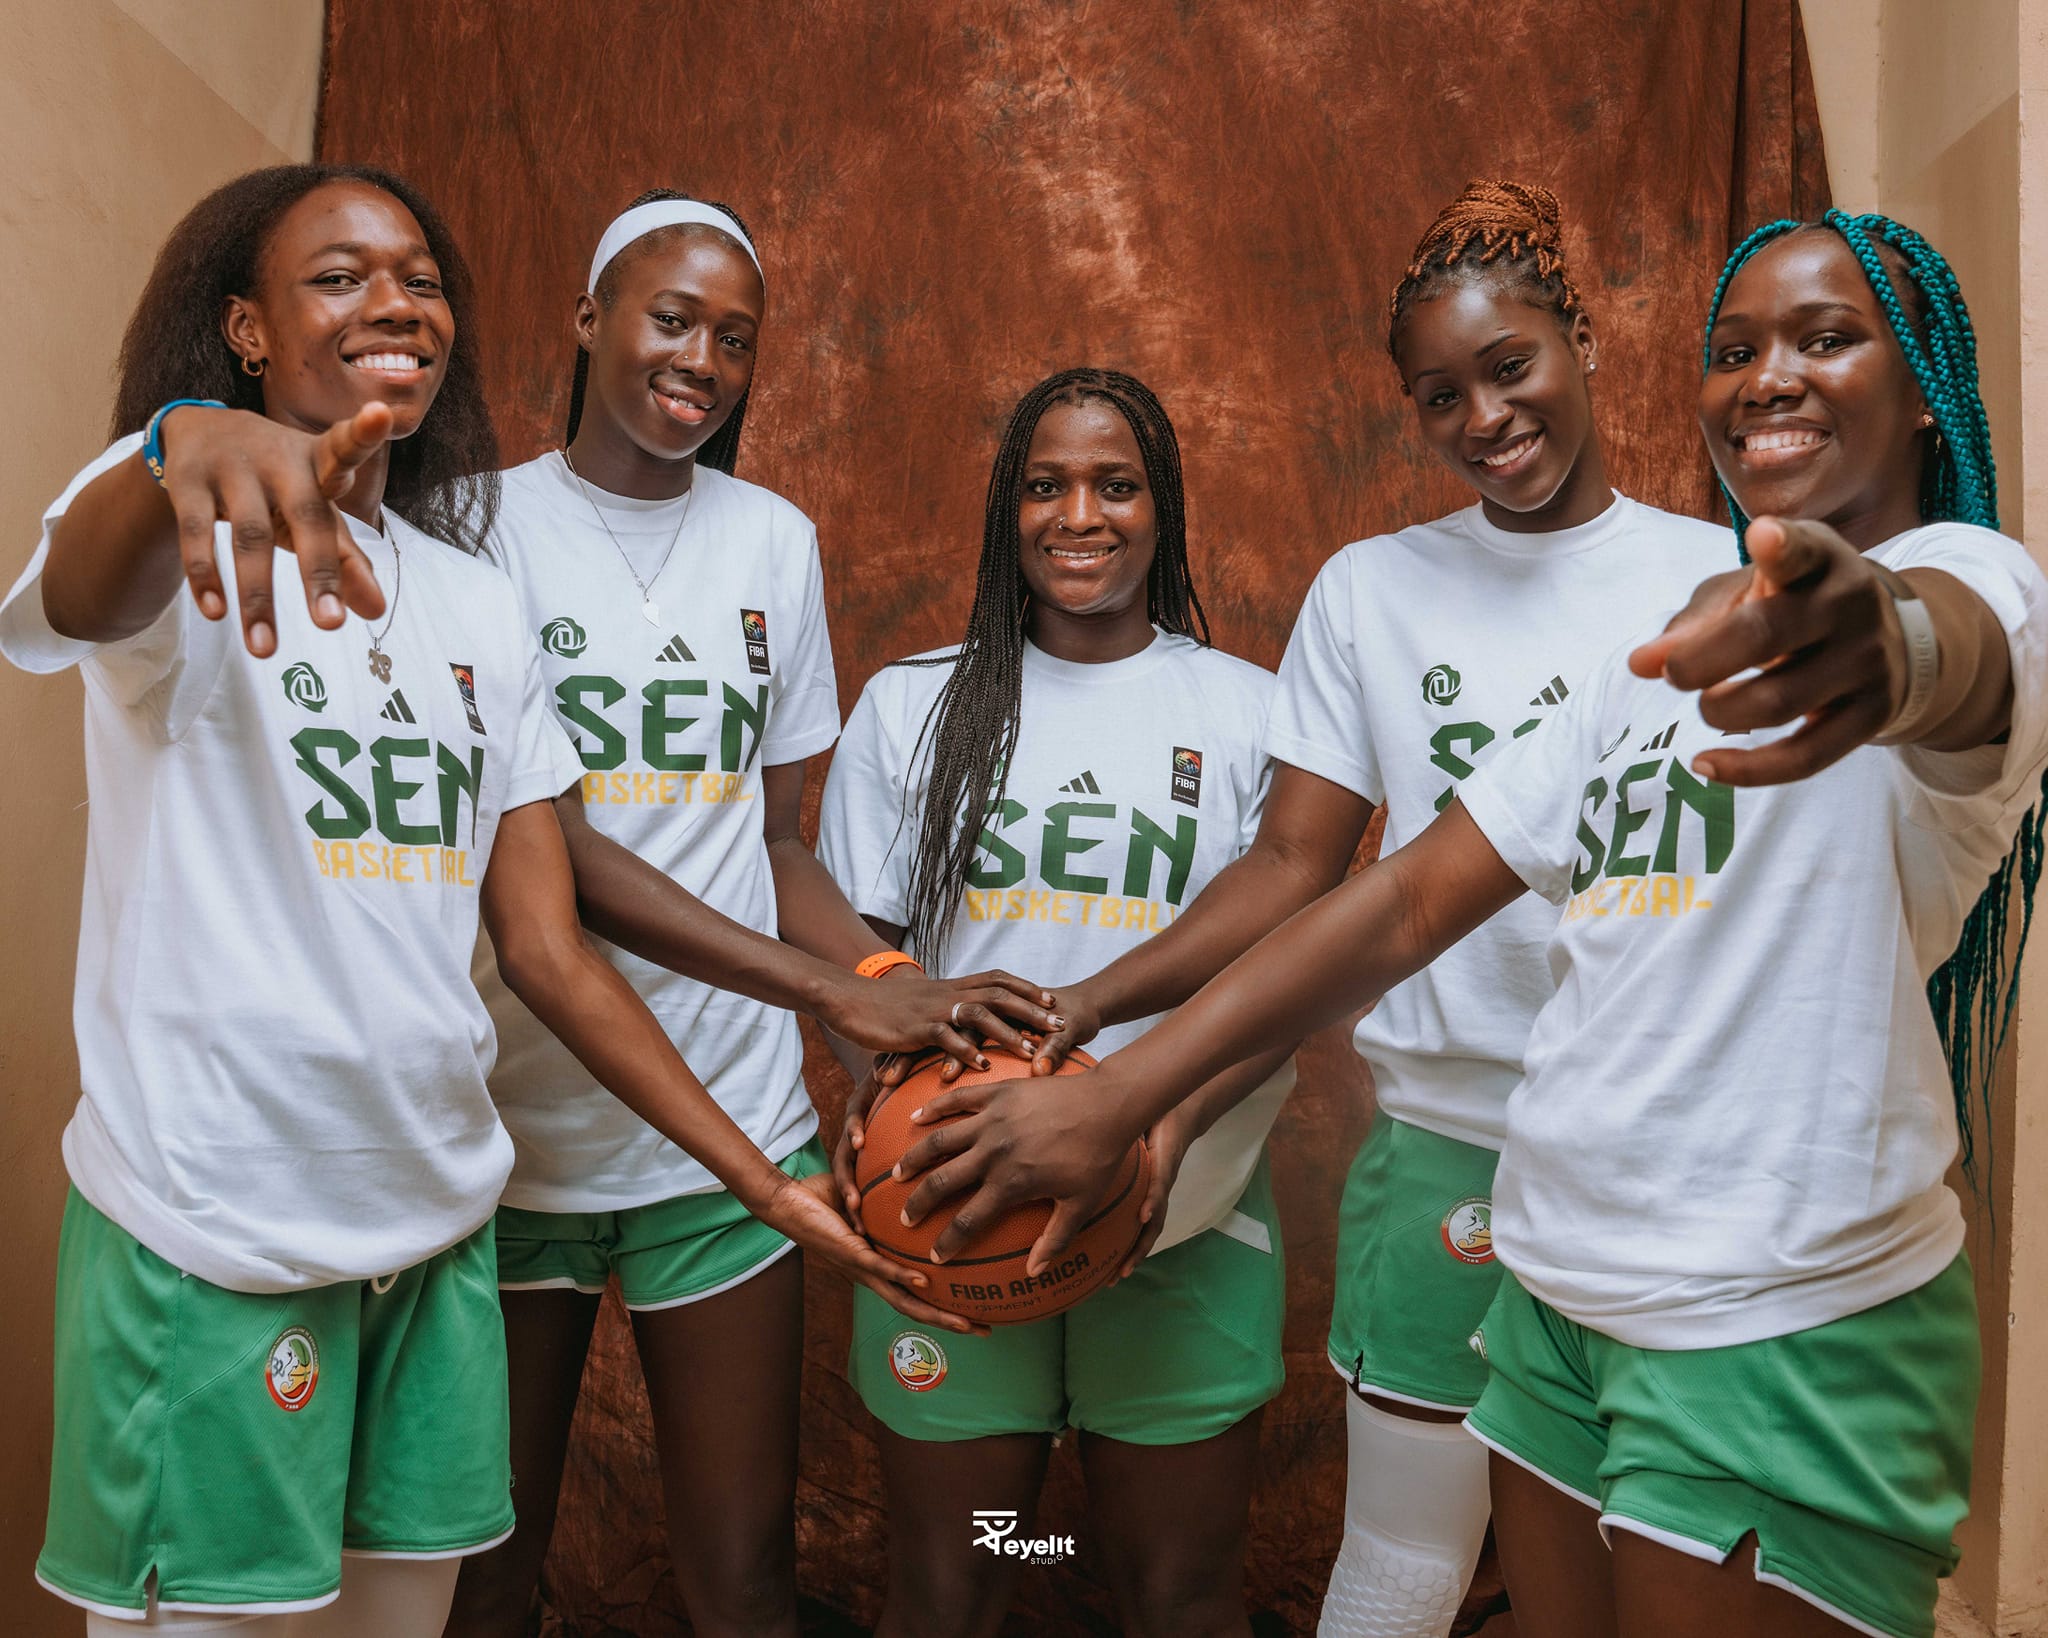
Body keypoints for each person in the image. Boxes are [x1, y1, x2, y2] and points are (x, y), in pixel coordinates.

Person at [895, 211, 2048, 1638]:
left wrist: (1881, 634)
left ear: (1922, 382)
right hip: (1555, 1274)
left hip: (1769, 1297)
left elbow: (1943, 643)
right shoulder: (1643, 659)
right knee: (1381, 1573)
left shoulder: (1979, 581)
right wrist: (1118, 1083)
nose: (1769, 378)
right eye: (1736, 348)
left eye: (1825, 339)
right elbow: (1397, 897)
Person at [0, 164, 950, 1638]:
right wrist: (175, 441)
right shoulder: (186, 527)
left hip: (434, 1215)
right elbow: (81, 593)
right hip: (221, 1219)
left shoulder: (472, 599)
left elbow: (548, 945)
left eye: (422, 280)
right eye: (339, 277)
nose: (393, 303)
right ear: (245, 328)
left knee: (429, 1613)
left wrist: (764, 1173)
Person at [446, 192, 1057, 1638]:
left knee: (742, 1581)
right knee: (483, 1581)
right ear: (589, 317)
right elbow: (544, 849)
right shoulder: (473, 526)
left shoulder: (774, 539)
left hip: (729, 1116)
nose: (702, 361)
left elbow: (771, 837)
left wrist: (886, 974)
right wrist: (828, 989)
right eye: (672, 319)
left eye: (735, 339)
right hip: (514, 1117)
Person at [817, 368, 1294, 1638]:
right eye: (1045, 485)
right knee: (962, 1576)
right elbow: (861, 968)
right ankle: (1035, 1547)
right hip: (954, 1211)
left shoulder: (1249, 712)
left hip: (1181, 1216)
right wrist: (890, 1100)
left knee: (1177, 1594)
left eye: (1114, 484)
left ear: (1161, 506)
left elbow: (1284, 985)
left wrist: (1165, 1131)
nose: (1078, 515)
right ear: (1006, 509)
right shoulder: (913, 704)